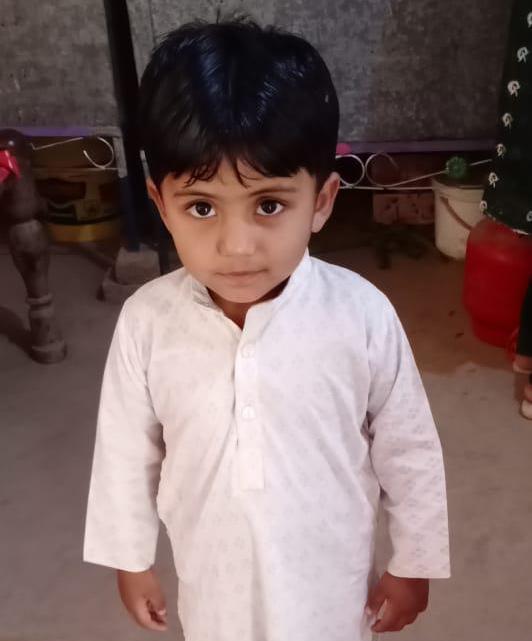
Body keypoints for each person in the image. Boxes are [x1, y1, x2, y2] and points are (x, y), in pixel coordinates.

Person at [83, 18, 450, 641]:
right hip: (213, 586)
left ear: (322, 201)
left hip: (329, 590)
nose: (237, 246)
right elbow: (125, 450)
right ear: (160, 203)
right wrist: (131, 558)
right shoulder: (148, 322)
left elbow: (408, 449)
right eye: (202, 207)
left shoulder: (360, 315)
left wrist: (413, 561)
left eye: (270, 205)